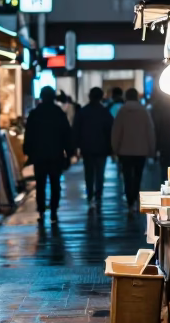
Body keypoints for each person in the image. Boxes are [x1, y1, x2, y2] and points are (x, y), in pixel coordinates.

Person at [23, 85, 74, 222]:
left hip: (39, 155)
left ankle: (41, 210)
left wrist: (28, 152)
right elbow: (66, 135)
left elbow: (29, 135)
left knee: (40, 183)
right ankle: (54, 210)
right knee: (55, 183)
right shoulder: (59, 113)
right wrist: (69, 153)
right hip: (55, 155)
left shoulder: (34, 114)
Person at [111, 86, 156, 210]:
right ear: (137, 97)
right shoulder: (144, 111)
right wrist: (152, 149)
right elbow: (150, 131)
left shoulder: (122, 111)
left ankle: (129, 199)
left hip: (124, 151)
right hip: (141, 151)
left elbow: (116, 132)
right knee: (138, 175)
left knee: (126, 176)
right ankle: (135, 196)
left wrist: (114, 148)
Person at [73, 86, 113, 206]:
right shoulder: (105, 112)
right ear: (101, 97)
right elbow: (110, 131)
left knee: (89, 173)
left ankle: (90, 196)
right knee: (100, 173)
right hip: (102, 148)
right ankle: (98, 196)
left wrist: (75, 148)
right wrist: (111, 148)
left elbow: (76, 131)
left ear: (89, 96)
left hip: (87, 148)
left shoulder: (82, 112)